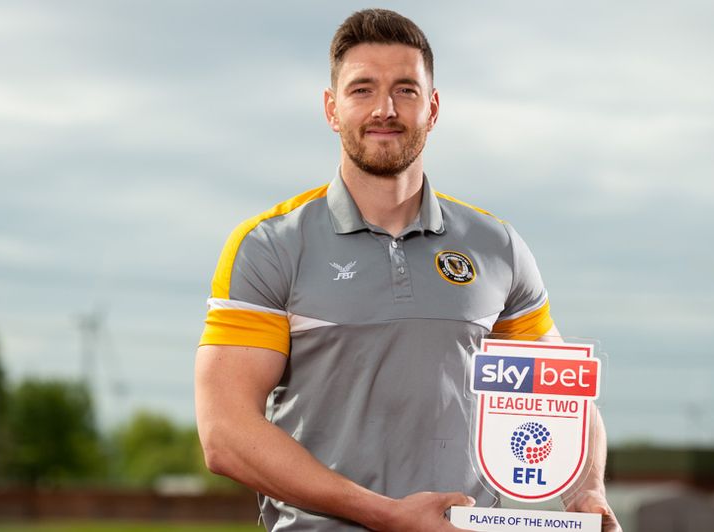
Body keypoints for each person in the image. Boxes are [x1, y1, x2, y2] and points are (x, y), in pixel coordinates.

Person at [195, 8, 620, 532]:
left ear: (433, 108)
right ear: (331, 109)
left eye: (406, 90)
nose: (385, 109)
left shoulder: (497, 247)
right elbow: (226, 435)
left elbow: (559, 398)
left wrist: (588, 492)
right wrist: (386, 515)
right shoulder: (269, 246)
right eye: (362, 90)